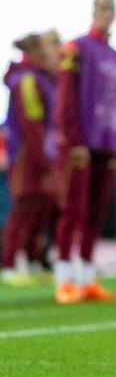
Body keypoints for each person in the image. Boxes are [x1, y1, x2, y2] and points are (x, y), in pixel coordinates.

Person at [52, 0, 116, 303]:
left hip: (106, 145)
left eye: (112, 9)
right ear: (94, 12)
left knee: (96, 212)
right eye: (103, 9)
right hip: (81, 143)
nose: (107, 14)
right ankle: (63, 279)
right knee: (74, 209)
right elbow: (66, 96)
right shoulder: (76, 48)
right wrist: (73, 139)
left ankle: (86, 278)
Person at [1, 33, 57, 291]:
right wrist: (44, 161)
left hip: (41, 155)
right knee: (23, 209)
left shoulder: (44, 79)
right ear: (35, 51)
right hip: (26, 156)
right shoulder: (27, 81)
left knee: (40, 209)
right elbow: (32, 125)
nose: (53, 52)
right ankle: (10, 265)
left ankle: (33, 262)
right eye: (48, 47)